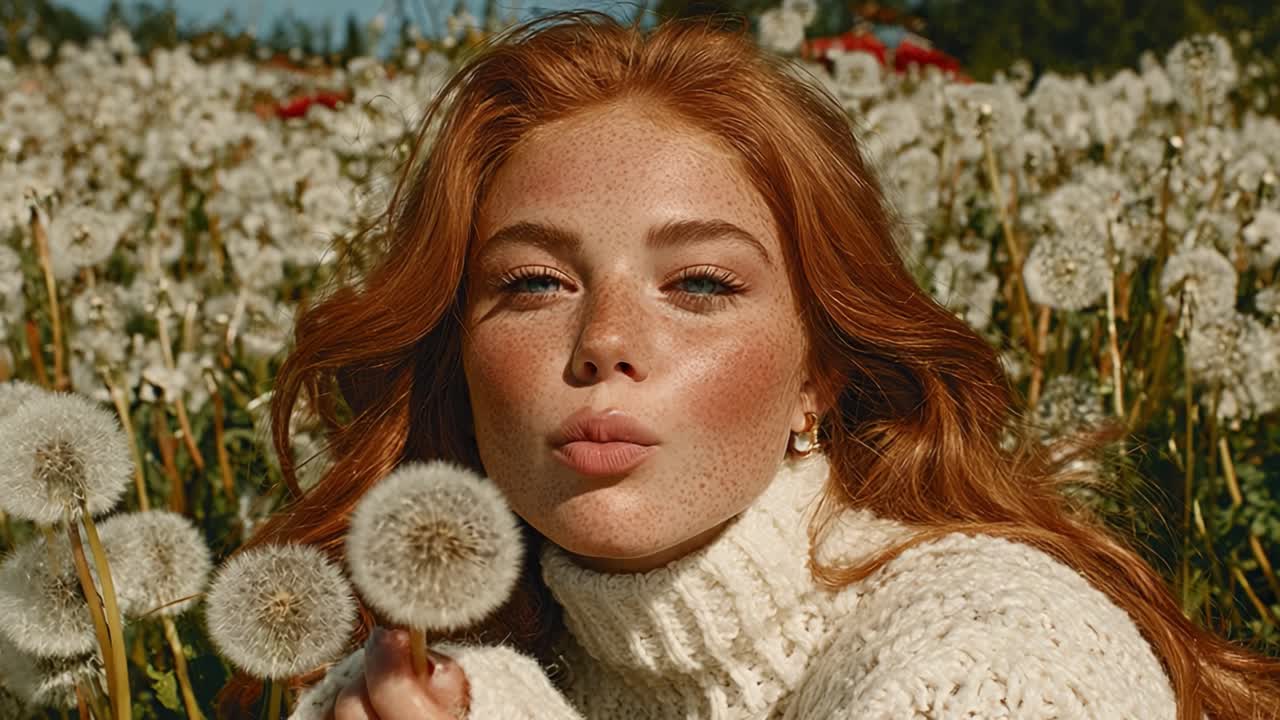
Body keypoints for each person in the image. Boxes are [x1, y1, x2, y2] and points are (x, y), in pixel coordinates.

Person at [216, 9, 1280, 720]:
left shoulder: (1002, 655)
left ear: (817, 376)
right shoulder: (435, 683)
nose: (604, 343)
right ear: (457, 355)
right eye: (535, 283)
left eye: (701, 286)